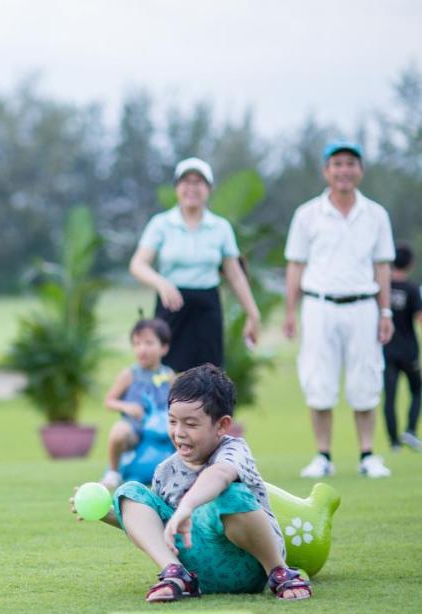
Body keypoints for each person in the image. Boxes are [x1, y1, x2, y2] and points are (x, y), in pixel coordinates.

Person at [75, 364, 311, 602]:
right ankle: (175, 574)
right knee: (129, 491)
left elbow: (218, 476)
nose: (178, 432)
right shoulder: (165, 471)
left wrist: (187, 507)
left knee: (230, 495)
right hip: (198, 572)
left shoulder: (233, 450)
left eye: (191, 424)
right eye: (172, 421)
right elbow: (157, 524)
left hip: (250, 566)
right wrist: (107, 513)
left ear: (222, 425)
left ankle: (280, 572)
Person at [283, 140, 397, 479]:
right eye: (337, 164)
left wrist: (386, 312)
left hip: (363, 305)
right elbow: (295, 265)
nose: (344, 170)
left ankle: (367, 455)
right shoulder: (307, 214)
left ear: (360, 170)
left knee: (366, 378)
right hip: (319, 304)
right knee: (319, 380)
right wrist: (291, 312)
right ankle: (323, 456)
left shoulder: (376, 214)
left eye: (350, 164)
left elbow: (382, 267)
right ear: (326, 171)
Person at [129, 157, 263, 372]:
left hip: (207, 307)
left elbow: (235, 274)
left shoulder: (220, 227)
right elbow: (138, 264)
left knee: (208, 378)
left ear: (208, 189)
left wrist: (253, 314)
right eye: (186, 182)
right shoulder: (161, 224)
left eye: (198, 182)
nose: (192, 188)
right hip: (171, 305)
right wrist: (161, 283)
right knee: (167, 376)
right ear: (177, 188)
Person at [100, 317, 174, 489]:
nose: (142, 349)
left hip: (163, 430)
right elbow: (109, 401)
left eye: (149, 343)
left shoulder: (168, 375)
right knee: (118, 431)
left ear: (164, 347)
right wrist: (127, 407)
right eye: (137, 344)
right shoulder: (129, 374)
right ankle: (113, 472)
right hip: (135, 429)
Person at [383, 244, 422, 451]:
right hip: (409, 351)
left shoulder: (383, 288)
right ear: (410, 264)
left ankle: (394, 442)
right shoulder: (412, 289)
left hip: (387, 350)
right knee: (417, 389)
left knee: (389, 397)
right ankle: (410, 430)